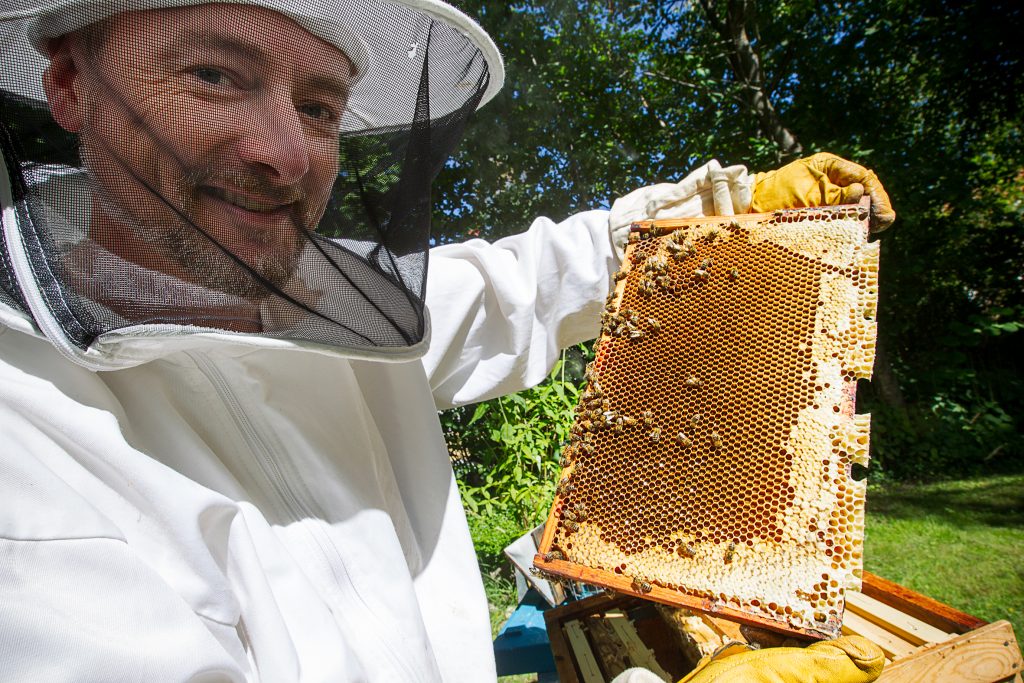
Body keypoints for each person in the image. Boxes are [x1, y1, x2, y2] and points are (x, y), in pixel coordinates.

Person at [0, 0, 892, 680]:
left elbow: (521, 285)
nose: (286, 151)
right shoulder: (22, 428)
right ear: (72, 83)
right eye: (213, 77)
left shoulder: (337, 303)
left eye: (319, 107)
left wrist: (710, 216)